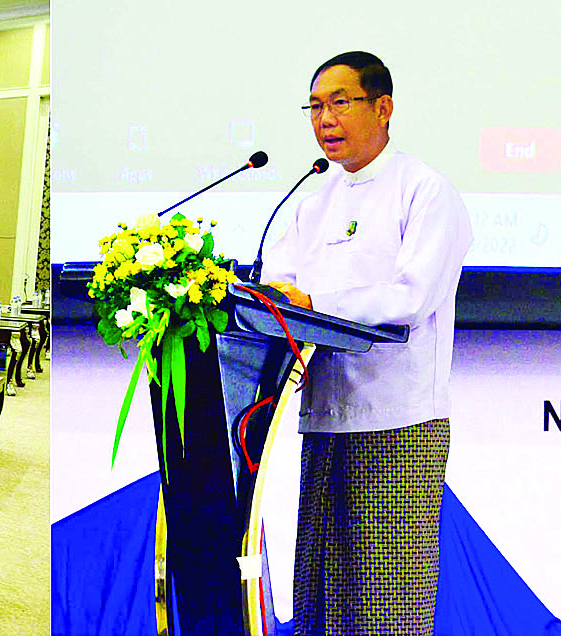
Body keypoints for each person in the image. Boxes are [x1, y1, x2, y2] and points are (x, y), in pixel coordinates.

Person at [260, 51, 472, 635]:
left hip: (398, 423)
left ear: (383, 108)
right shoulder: (311, 201)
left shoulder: (425, 190)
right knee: (321, 599)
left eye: (339, 103)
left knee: (385, 602)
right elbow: (279, 291)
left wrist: (314, 304)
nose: (324, 119)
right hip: (324, 417)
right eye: (314, 107)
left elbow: (412, 297)